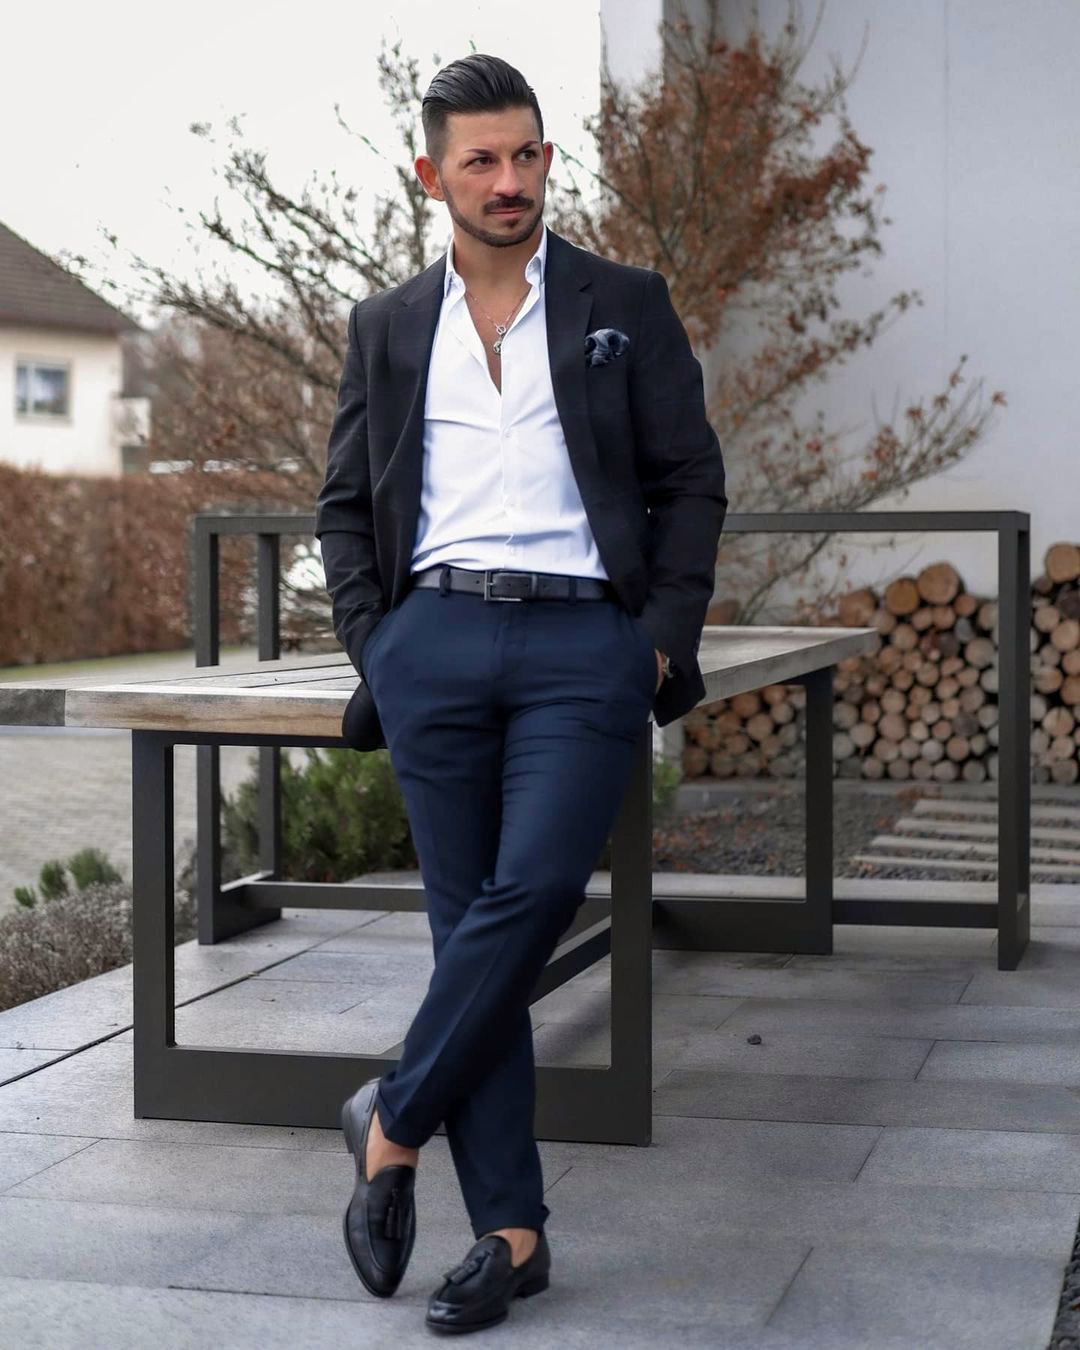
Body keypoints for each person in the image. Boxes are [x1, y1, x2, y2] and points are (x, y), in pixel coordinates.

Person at [315, 51, 727, 1336]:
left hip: (581, 649)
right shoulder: (386, 325)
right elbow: (343, 504)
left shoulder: (624, 301)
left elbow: (692, 482)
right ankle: (511, 1234)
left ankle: (390, 1123)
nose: (510, 180)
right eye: (481, 160)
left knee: (535, 894)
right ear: (431, 175)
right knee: (467, 937)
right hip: (433, 643)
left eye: (527, 153)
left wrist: (654, 639)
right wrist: (381, 647)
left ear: (549, 158)